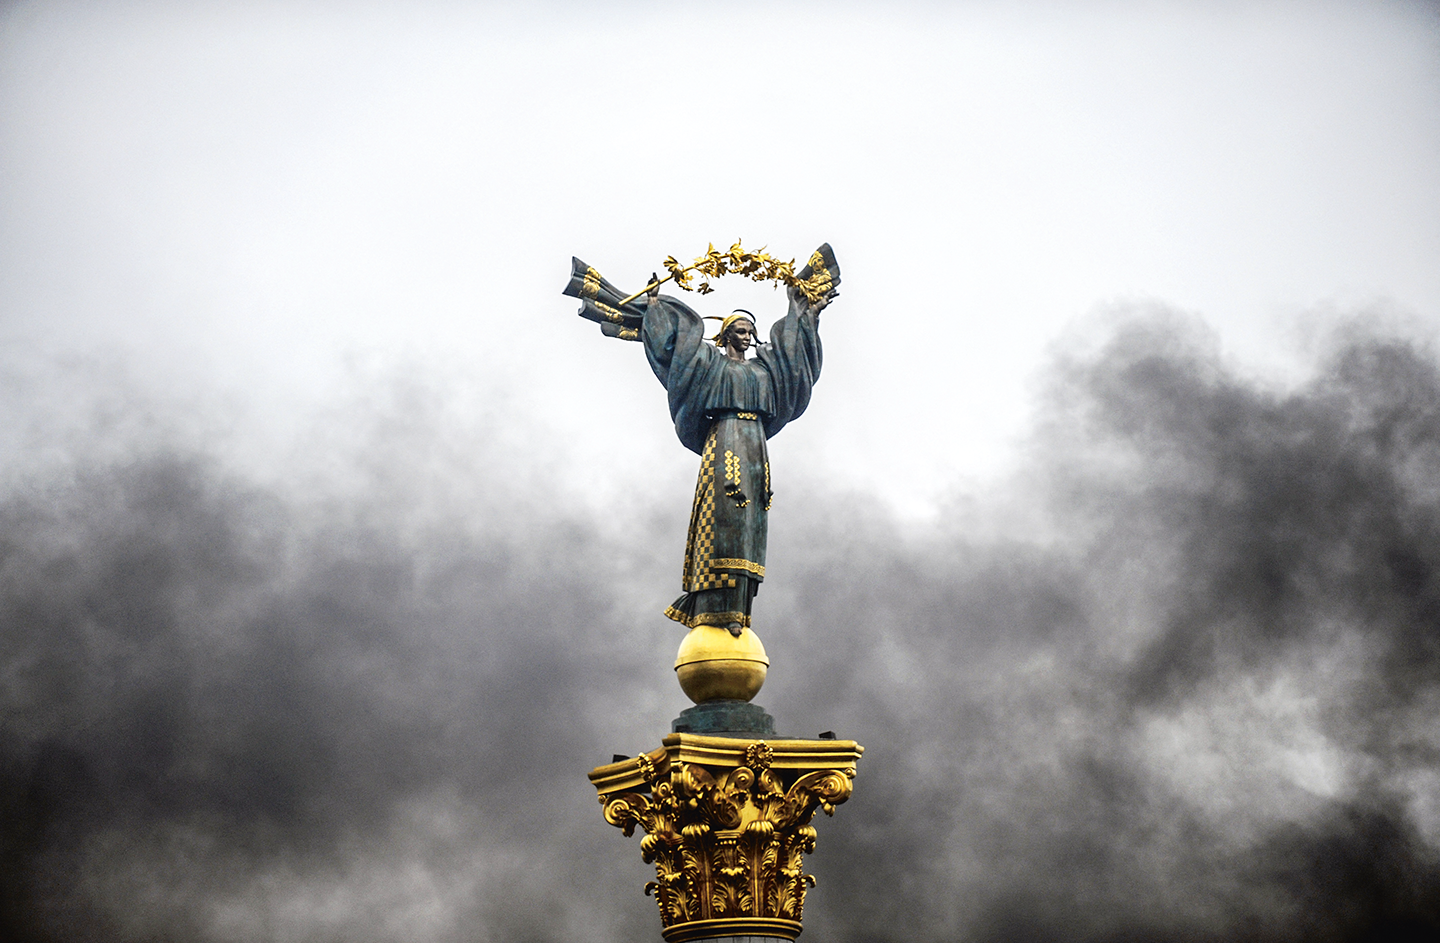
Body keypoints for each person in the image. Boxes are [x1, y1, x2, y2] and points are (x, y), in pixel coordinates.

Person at [639, 248, 839, 636]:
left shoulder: (765, 370)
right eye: (741, 332)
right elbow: (675, 351)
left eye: (751, 332)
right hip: (724, 439)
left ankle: (740, 606)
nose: (748, 338)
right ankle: (714, 602)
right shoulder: (712, 366)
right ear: (728, 334)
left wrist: (806, 314)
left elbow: (794, 358)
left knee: (750, 522)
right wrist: (655, 307)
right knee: (726, 516)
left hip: (755, 445)